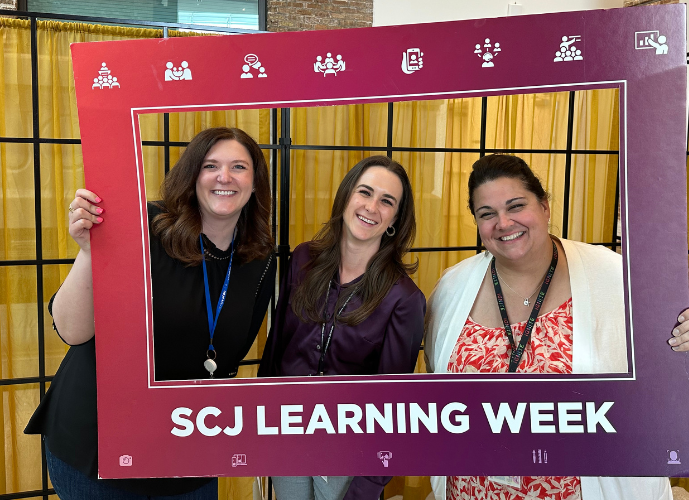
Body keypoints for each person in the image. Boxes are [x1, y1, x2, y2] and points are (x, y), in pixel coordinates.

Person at [424, 154, 689, 500]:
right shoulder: (452, 287)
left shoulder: (617, 277)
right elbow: (437, 386)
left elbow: (668, 381)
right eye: (487, 214)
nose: (503, 222)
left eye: (516, 205)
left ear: (545, 206)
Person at [25, 127, 276, 499]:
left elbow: (229, 356)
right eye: (211, 166)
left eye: (239, 166)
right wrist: (90, 252)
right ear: (192, 177)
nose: (225, 177)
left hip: (186, 442)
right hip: (99, 441)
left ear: (255, 184)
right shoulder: (144, 226)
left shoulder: (259, 259)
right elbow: (71, 331)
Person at [258, 155, 426, 500]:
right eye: (365, 192)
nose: (371, 207)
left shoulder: (404, 299)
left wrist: (368, 487)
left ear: (395, 219)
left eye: (387, 201)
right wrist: (260, 423)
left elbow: (393, 408)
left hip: (348, 451)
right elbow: (277, 345)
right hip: (287, 430)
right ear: (347, 196)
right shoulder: (304, 259)